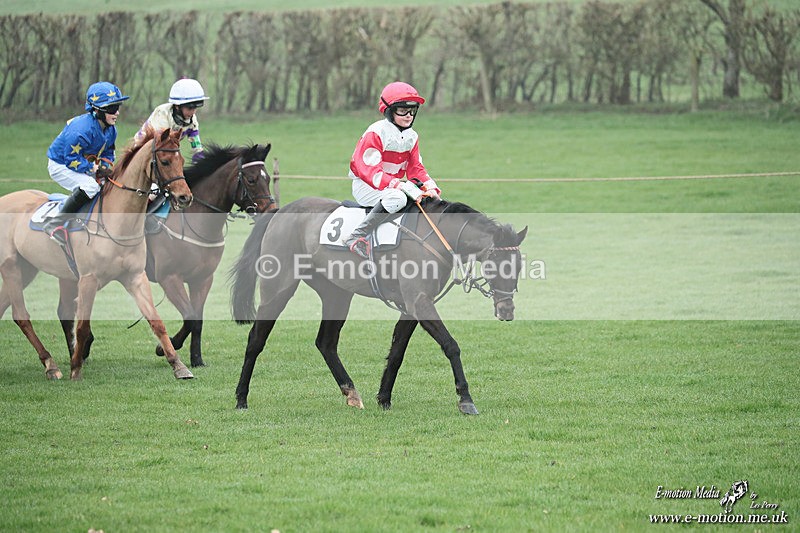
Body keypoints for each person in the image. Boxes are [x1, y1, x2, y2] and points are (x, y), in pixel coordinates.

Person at [342, 81, 441, 259]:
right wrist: (395, 184)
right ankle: (356, 236)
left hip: (393, 187)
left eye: (412, 110)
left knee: (427, 201)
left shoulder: (412, 136)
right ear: (389, 110)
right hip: (368, 186)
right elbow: (368, 170)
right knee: (399, 198)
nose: (409, 115)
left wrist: (431, 187)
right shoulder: (376, 132)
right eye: (403, 110)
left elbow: (416, 168)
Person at [43, 81, 130, 244]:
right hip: (60, 164)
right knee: (90, 186)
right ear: (97, 110)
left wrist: (105, 166)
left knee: (110, 185)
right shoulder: (80, 130)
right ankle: (55, 224)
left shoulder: (111, 129)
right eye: (112, 109)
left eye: (118, 107)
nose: (117, 113)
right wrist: (94, 168)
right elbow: (71, 160)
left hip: (81, 163)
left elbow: (108, 152)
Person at [132, 78, 209, 164]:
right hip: (140, 150)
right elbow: (162, 145)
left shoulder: (192, 120)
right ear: (177, 106)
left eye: (195, 108)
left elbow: (197, 147)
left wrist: (200, 163)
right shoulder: (162, 114)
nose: (193, 112)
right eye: (190, 108)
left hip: (161, 150)